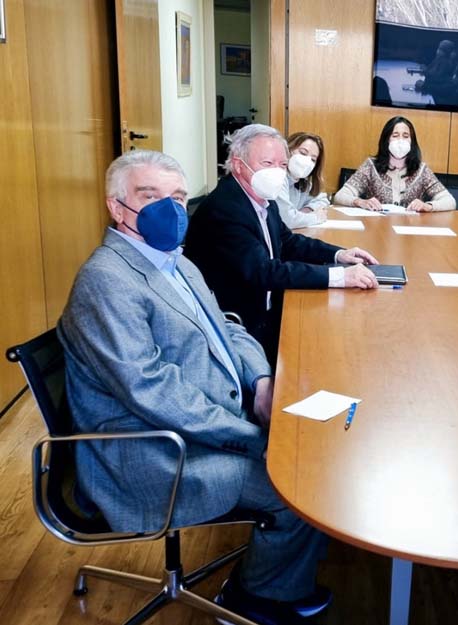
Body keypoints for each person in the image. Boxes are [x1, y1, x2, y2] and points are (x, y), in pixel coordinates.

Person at [58, 150, 329, 625]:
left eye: (179, 197)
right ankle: (257, 600)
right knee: (301, 486)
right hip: (150, 450)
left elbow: (229, 326)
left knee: (307, 451)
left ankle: (276, 579)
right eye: (150, 196)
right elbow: (152, 392)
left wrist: (260, 380)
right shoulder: (107, 281)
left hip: (199, 418)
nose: (171, 208)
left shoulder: (173, 261)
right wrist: (251, 436)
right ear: (117, 207)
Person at [185, 124, 379, 365]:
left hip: (267, 310)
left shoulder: (261, 197)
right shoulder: (226, 209)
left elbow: (287, 241)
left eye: (282, 165)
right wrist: (340, 277)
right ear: (237, 164)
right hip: (240, 326)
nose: (277, 172)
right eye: (267, 164)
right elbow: (265, 272)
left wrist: (339, 254)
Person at [333, 116, 456, 212]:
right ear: (386, 140)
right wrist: (359, 202)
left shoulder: (421, 170)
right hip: (377, 231)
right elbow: (340, 196)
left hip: (410, 233)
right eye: (395, 136)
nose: (400, 140)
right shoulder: (371, 166)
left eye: (406, 136)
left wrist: (428, 206)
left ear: (412, 142)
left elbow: (449, 201)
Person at [275, 131, 329, 230]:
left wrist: (306, 210)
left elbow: (322, 199)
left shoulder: (302, 181)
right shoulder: (278, 177)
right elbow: (287, 220)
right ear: (288, 149)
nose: (307, 161)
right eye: (303, 153)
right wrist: (316, 217)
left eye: (313, 159)